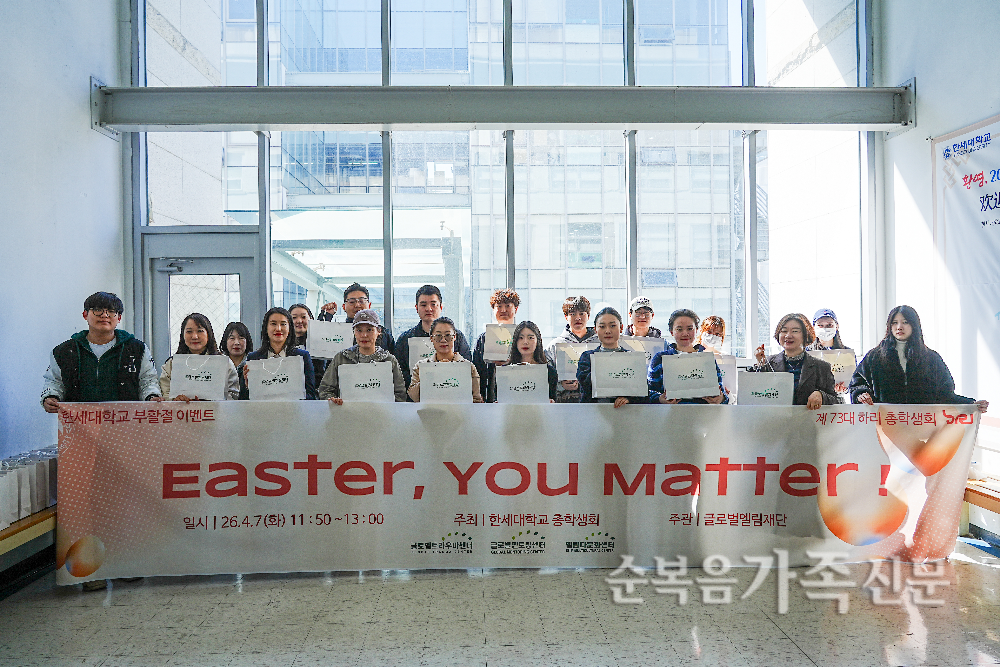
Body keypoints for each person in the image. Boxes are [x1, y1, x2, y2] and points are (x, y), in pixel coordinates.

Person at [40, 291, 161, 592]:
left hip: (125, 437)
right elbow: (52, 382)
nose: (104, 315)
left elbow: (148, 380)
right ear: (86, 315)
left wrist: (152, 397)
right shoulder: (65, 351)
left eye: (111, 311)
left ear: (119, 318)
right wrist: (50, 398)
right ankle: (89, 571)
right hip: (79, 439)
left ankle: (126, 564)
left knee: (124, 500)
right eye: (97, 310)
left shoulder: (135, 348)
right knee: (84, 502)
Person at [849, 305, 989, 412]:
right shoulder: (875, 357)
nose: (899, 327)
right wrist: (861, 394)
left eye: (905, 322)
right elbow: (857, 383)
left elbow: (945, 394)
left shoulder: (931, 358)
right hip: (885, 425)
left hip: (922, 428)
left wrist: (970, 405)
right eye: (894, 323)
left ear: (914, 325)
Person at [752, 313, 839, 409]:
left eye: (795, 331)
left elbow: (836, 400)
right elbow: (755, 394)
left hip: (808, 418)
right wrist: (760, 364)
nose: (788, 335)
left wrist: (821, 395)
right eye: (784, 331)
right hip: (775, 418)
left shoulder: (822, 367)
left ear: (806, 335)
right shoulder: (769, 363)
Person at [319, 309, 406, 403]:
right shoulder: (341, 358)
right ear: (353, 332)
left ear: (379, 331)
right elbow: (325, 389)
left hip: (381, 412)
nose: (364, 335)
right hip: (347, 411)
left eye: (369, 330)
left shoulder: (389, 361)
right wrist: (333, 400)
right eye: (359, 330)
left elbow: (400, 395)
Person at [396, 285, 473, 390]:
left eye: (433, 304)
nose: (429, 309)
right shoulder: (405, 339)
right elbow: (399, 373)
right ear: (416, 308)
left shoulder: (457, 337)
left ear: (441, 307)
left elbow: (466, 367)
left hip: (451, 392)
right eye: (423, 305)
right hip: (416, 396)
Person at [647, 309, 728, 404]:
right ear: (672, 332)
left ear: (696, 330)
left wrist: (721, 398)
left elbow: (722, 394)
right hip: (671, 412)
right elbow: (649, 394)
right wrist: (659, 399)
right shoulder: (660, 359)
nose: (685, 333)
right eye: (679, 329)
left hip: (703, 412)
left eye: (690, 329)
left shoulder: (707, 359)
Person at [577, 307, 650, 408]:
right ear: (595, 330)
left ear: (621, 328)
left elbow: (643, 393)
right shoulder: (587, 357)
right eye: (602, 326)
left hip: (625, 413)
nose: (607, 331)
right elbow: (586, 386)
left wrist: (629, 399)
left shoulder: (632, 359)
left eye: (612, 326)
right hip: (593, 413)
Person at [238, 307, 318, 400]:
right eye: (273, 324)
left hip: (294, 408)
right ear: (266, 328)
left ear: (289, 328)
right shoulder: (254, 358)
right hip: (263, 409)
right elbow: (243, 399)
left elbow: (311, 395)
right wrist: (248, 386)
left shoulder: (302, 356)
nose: (278, 328)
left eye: (283, 324)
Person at [159, 313, 239, 401]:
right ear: (183, 335)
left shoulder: (224, 363)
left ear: (208, 334)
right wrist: (175, 400)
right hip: (180, 409)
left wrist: (212, 402)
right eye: (189, 331)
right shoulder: (172, 364)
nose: (194, 336)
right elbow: (165, 393)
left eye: (200, 331)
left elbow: (233, 395)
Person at [408, 317, 483, 403]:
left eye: (448, 335)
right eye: (438, 336)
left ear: (454, 337)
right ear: (431, 338)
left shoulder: (468, 367)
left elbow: (476, 399)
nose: (443, 340)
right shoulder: (421, 366)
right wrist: (435, 372)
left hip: (459, 411)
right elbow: (414, 396)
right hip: (430, 410)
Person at [545, 296, 599, 403]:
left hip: (594, 404)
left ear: (588, 316)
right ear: (566, 317)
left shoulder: (599, 343)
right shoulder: (555, 345)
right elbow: (545, 377)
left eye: (582, 313)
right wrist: (560, 384)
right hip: (563, 404)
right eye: (573, 314)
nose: (578, 318)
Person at [317, 283, 395, 354]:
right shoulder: (337, 331)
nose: (357, 305)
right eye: (352, 302)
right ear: (344, 307)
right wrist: (327, 316)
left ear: (369, 305)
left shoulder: (383, 334)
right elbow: (317, 344)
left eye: (361, 301)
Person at [473, 289, 520, 402]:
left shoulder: (522, 336)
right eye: (499, 306)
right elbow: (476, 368)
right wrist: (478, 394)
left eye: (508, 306)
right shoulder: (483, 339)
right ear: (493, 310)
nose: (503, 310)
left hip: (517, 393)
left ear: (516, 309)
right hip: (489, 395)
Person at [499, 320, 558, 403]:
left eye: (530, 338)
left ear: (538, 341)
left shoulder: (549, 371)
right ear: (515, 341)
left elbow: (553, 398)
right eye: (521, 338)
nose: (525, 342)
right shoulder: (504, 371)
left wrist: (552, 403)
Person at [289, 304, 329, 382]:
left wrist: (327, 314)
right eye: (294, 317)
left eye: (303, 317)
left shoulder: (319, 341)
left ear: (311, 319)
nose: (299, 321)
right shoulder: (283, 344)